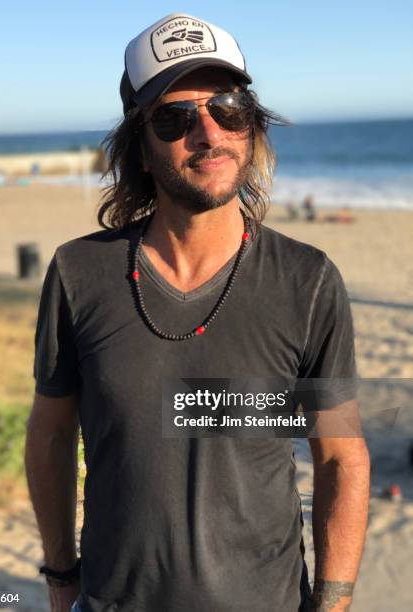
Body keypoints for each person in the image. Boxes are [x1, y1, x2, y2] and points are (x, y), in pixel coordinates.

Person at [25, 12, 370, 612]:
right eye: (175, 119)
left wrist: (334, 603)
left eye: (229, 108)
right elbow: (51, 434)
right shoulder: (79, 274)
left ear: (252, 125)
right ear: (139, 146)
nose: (210, 134)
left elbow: (340, 454)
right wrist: (60, 579)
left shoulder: (308, 281)